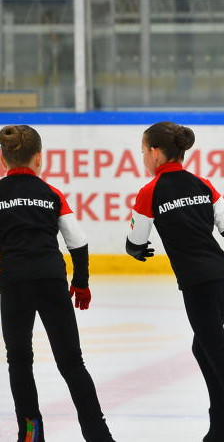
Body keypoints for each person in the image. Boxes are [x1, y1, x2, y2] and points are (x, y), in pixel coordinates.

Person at [125, 121, 224, 442]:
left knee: (216, 353)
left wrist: (134, 250)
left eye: (142, 153)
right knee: (203, 347)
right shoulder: (202, 183)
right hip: (223, 277)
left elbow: (136, 240)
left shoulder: (150, 191)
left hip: (197, 284)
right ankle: (222, 425)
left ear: (155, 153)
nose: (143, 159)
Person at [0, 125, 115, 442]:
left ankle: (31, 433)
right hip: (51, 279)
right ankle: (98, 434)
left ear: (2, 158)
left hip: (14, 283)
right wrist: (81, 282)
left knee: (19, 360)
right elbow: (77, 242)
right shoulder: (51, 194)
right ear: (39, 159)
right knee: (71, 362)